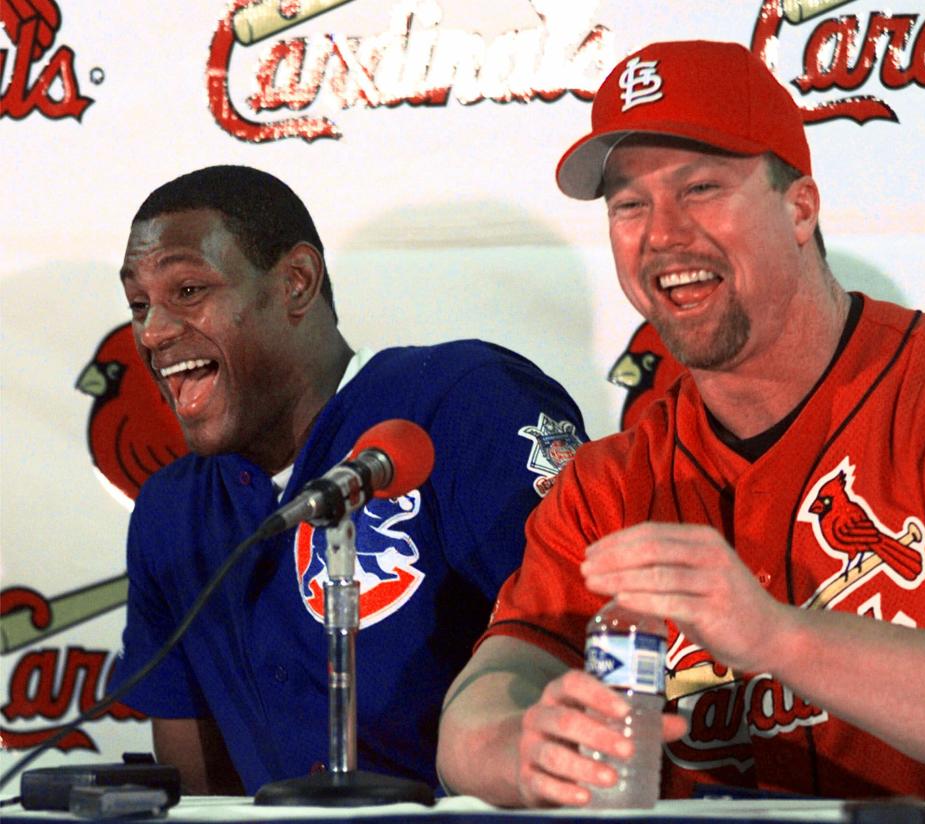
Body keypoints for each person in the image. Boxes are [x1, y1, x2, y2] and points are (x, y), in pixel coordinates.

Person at [436, 39, 925, 806]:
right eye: (629, 204)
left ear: (800, 208)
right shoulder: (610, 482)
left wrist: (775, 636)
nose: (662, 234)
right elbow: (482, 707)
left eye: (702, 188)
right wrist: (522, 748)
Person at [108, 164, 589, 796]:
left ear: (296, 283)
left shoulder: (461, 403)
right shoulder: (171, 512)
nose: (154, 332)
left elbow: (598, 652)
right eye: (139, 305)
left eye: (190, 291)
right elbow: (200, 793)